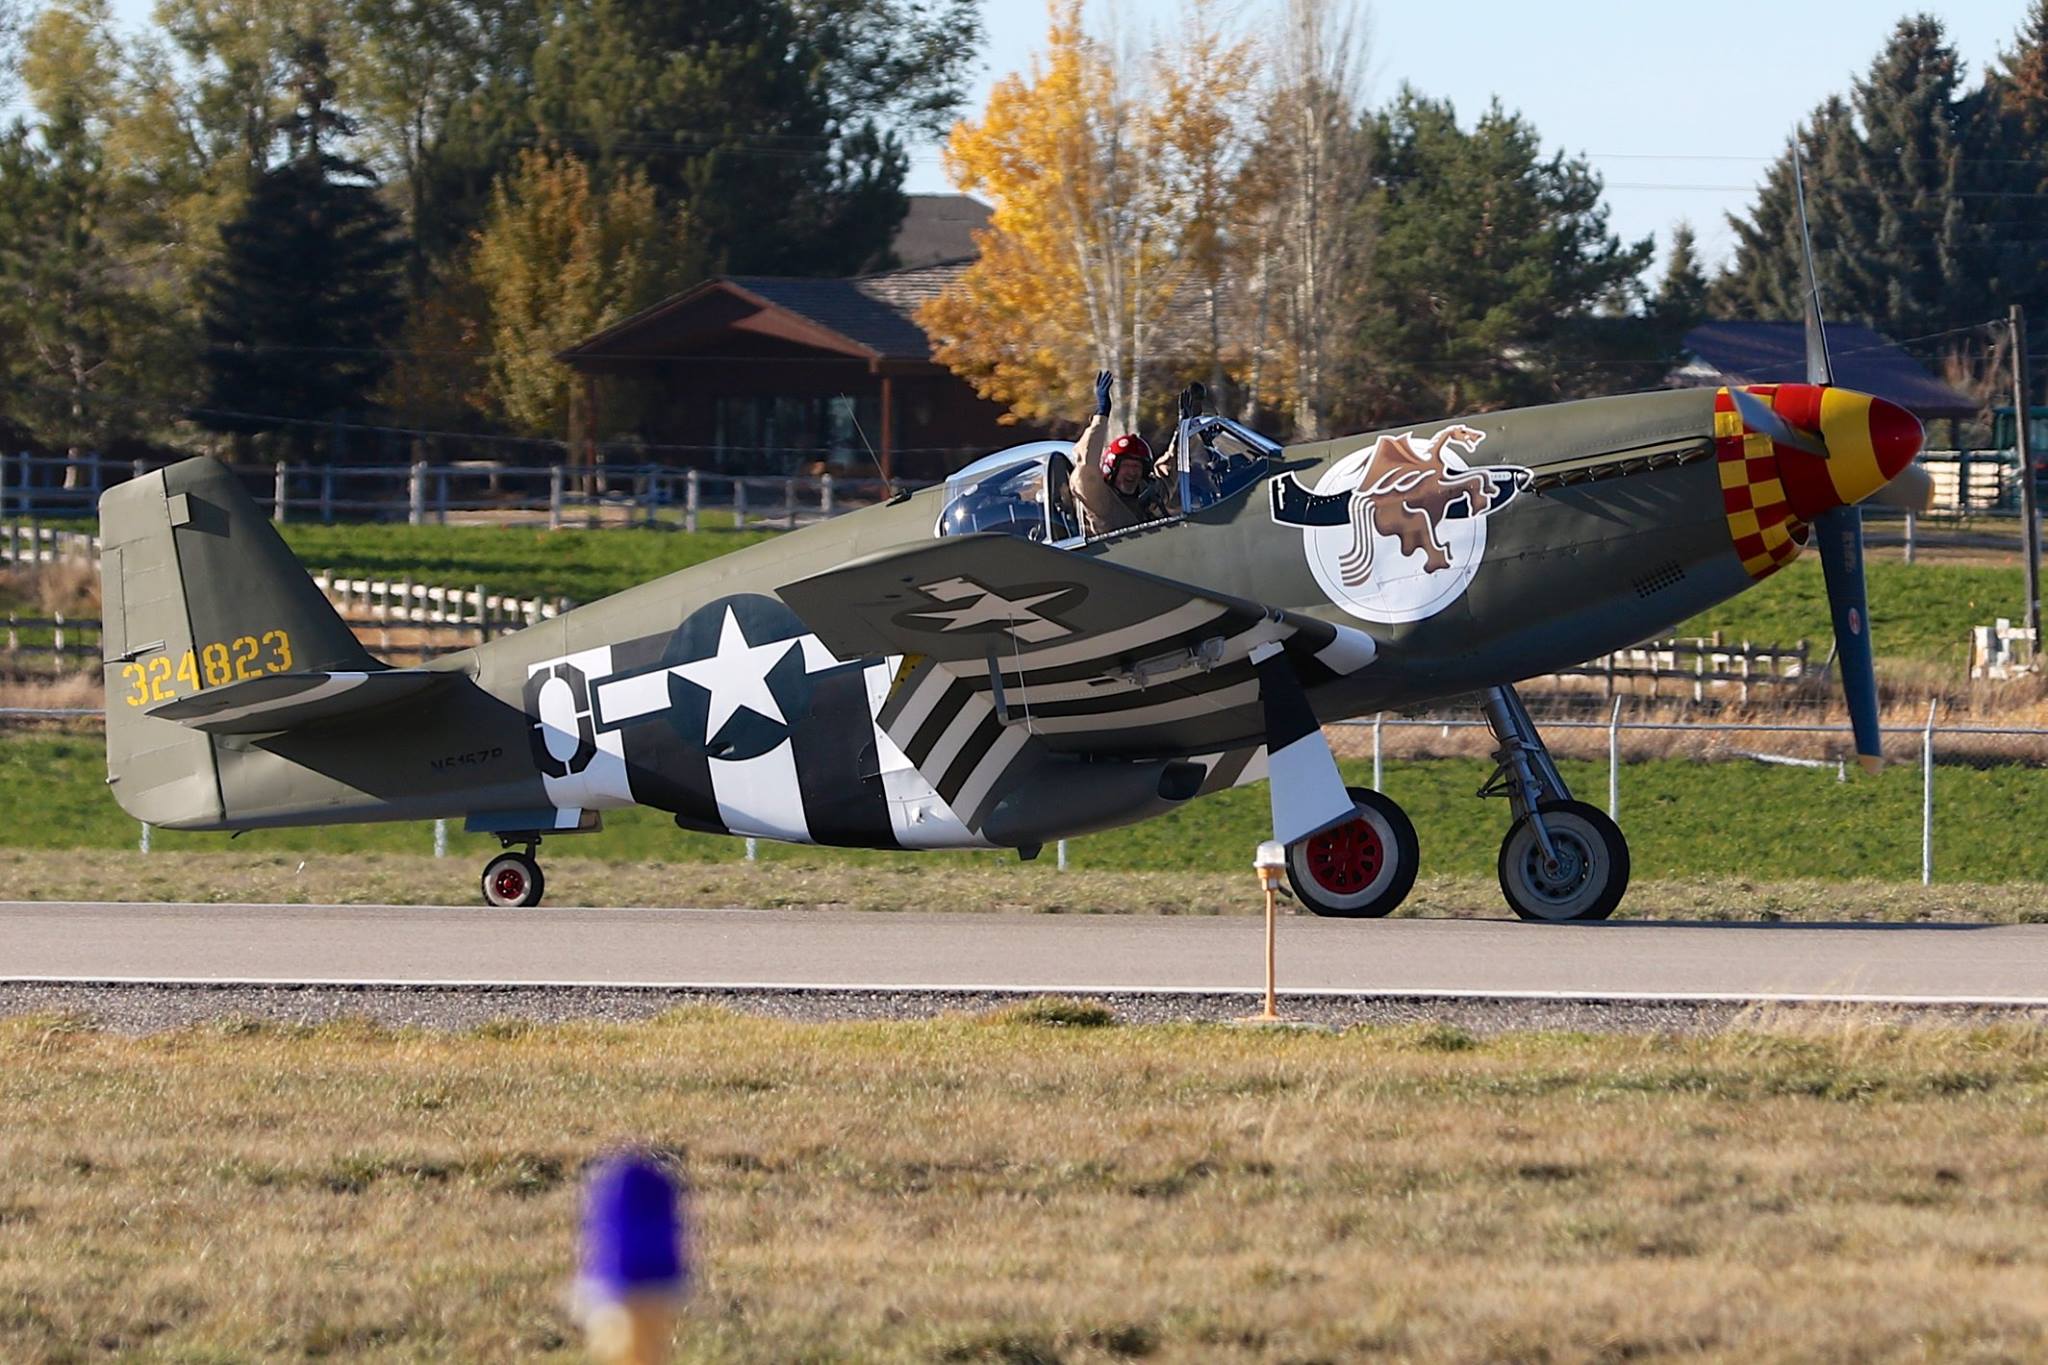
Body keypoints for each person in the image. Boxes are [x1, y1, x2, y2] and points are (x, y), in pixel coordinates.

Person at [1069, 370, 1174, 538]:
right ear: (1112, 468)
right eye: (1126, 465)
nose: (1132, 471)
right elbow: (1085, 470)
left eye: (1137, 466)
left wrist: (1186, 428)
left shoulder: (1147, 494)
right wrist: (1101, 415)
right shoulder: (1101, 501)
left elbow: (1170, 472)